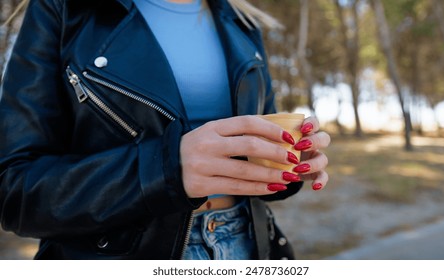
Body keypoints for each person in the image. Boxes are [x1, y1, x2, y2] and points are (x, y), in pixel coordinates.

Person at [0, 0, 330, 260]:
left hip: (245, 246)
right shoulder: (65, 8)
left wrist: (287, 163)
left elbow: (257, 148)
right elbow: (14, 190)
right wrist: (165, 170)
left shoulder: (242, 21)